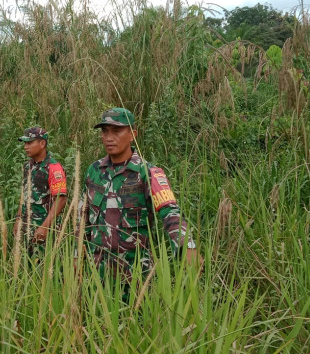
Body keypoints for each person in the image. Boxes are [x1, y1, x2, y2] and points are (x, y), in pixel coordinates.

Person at [76, 107, 197, 283]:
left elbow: (170, 212)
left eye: (117, 131)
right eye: (105, 131)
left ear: (133, 134)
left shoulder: (148, 172)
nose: (109, 138)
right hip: (97, 272)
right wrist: (76, 255)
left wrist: (186, 245)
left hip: (136, 274)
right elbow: (82, 217)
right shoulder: (93, 171)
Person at [14, 126, 67, 254]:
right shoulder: (28, 166)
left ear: (42, 143)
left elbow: (61, 199)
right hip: (26, 228)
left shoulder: (53, 168)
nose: (26, 147)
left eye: (29, 143)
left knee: (45, 268)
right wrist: (18, 219)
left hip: (44, 230)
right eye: (25, 143)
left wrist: (44, 227)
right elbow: (25, 194)